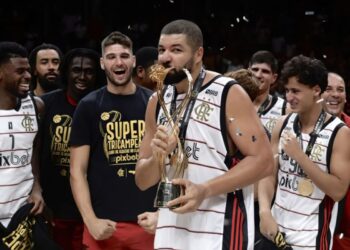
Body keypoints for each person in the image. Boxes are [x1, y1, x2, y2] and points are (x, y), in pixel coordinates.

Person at [135, 19, 273, 250]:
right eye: (162, 50)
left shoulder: (228, 93)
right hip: (171, 232)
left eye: (176, 50)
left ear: (198, 54)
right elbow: (142, 181)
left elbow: (264, 162)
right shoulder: (156, 102)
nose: (165, 57)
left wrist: (204, 190)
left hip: (222, 230)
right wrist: (158, 157)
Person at [69, 31, 156, 249]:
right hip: (103, 226)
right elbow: (76, 170)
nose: (118, 62)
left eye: (125, 56)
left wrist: (163, 213)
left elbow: (171, 164)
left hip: (147, 223)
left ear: (133, 61)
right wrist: (90, 220)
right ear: (102, 63)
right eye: (111, 57)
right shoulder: (88, 106)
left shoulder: (154, 103)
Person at [258, 55, 350, 250]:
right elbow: (268, 175)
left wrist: (300, 156)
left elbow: (338, 191)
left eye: (296, 91)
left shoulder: (340, 133)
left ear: (316, 90)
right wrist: (265, 211)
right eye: (287, 90)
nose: (289, 97)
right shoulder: (282, 124)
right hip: (274, 234)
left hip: (311, 241)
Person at [40, 48, 103, 250]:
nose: (82, 76)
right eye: (76, 70)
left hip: (92, 208)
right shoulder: (46, 104)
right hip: (53, 206)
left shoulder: (102, 105)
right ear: (66, 72)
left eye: (89, 71)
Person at [0, 41, 45, 247]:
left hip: (23, 212)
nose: (28, 76)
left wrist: (36, 187)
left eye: (28, 69)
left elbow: (33, 148)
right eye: (20, 71)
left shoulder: (36, 106)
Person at [321, 72, 350, 250]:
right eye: (328, 89)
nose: (335, 94)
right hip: (306, 222)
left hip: (344, 231)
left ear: (346, 97)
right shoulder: (299, 129)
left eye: (340, 90)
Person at [248, 50, 289, 134]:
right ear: (248, 72)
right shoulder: (235, 101)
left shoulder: (285, 108)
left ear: (273, 78)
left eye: (265, 71)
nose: (258, 75)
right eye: (255, 69)